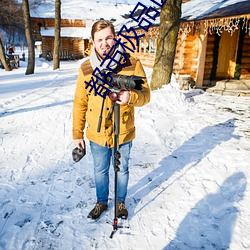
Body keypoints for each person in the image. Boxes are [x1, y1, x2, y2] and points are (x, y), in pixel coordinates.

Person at [72, 20, 150, 220]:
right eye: (99, 39)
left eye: (108, 38)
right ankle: (101, 202)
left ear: (115, 38)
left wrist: (130, 97)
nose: (104, 43)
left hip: (123, 129)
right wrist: (77, 134)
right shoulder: (86, 68)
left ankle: (121, 202)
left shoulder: (132, 63)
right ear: (93, 42)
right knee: (100, 170)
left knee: (122, 168)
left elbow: (146, 95)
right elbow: (80, 102)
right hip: (97, 132)